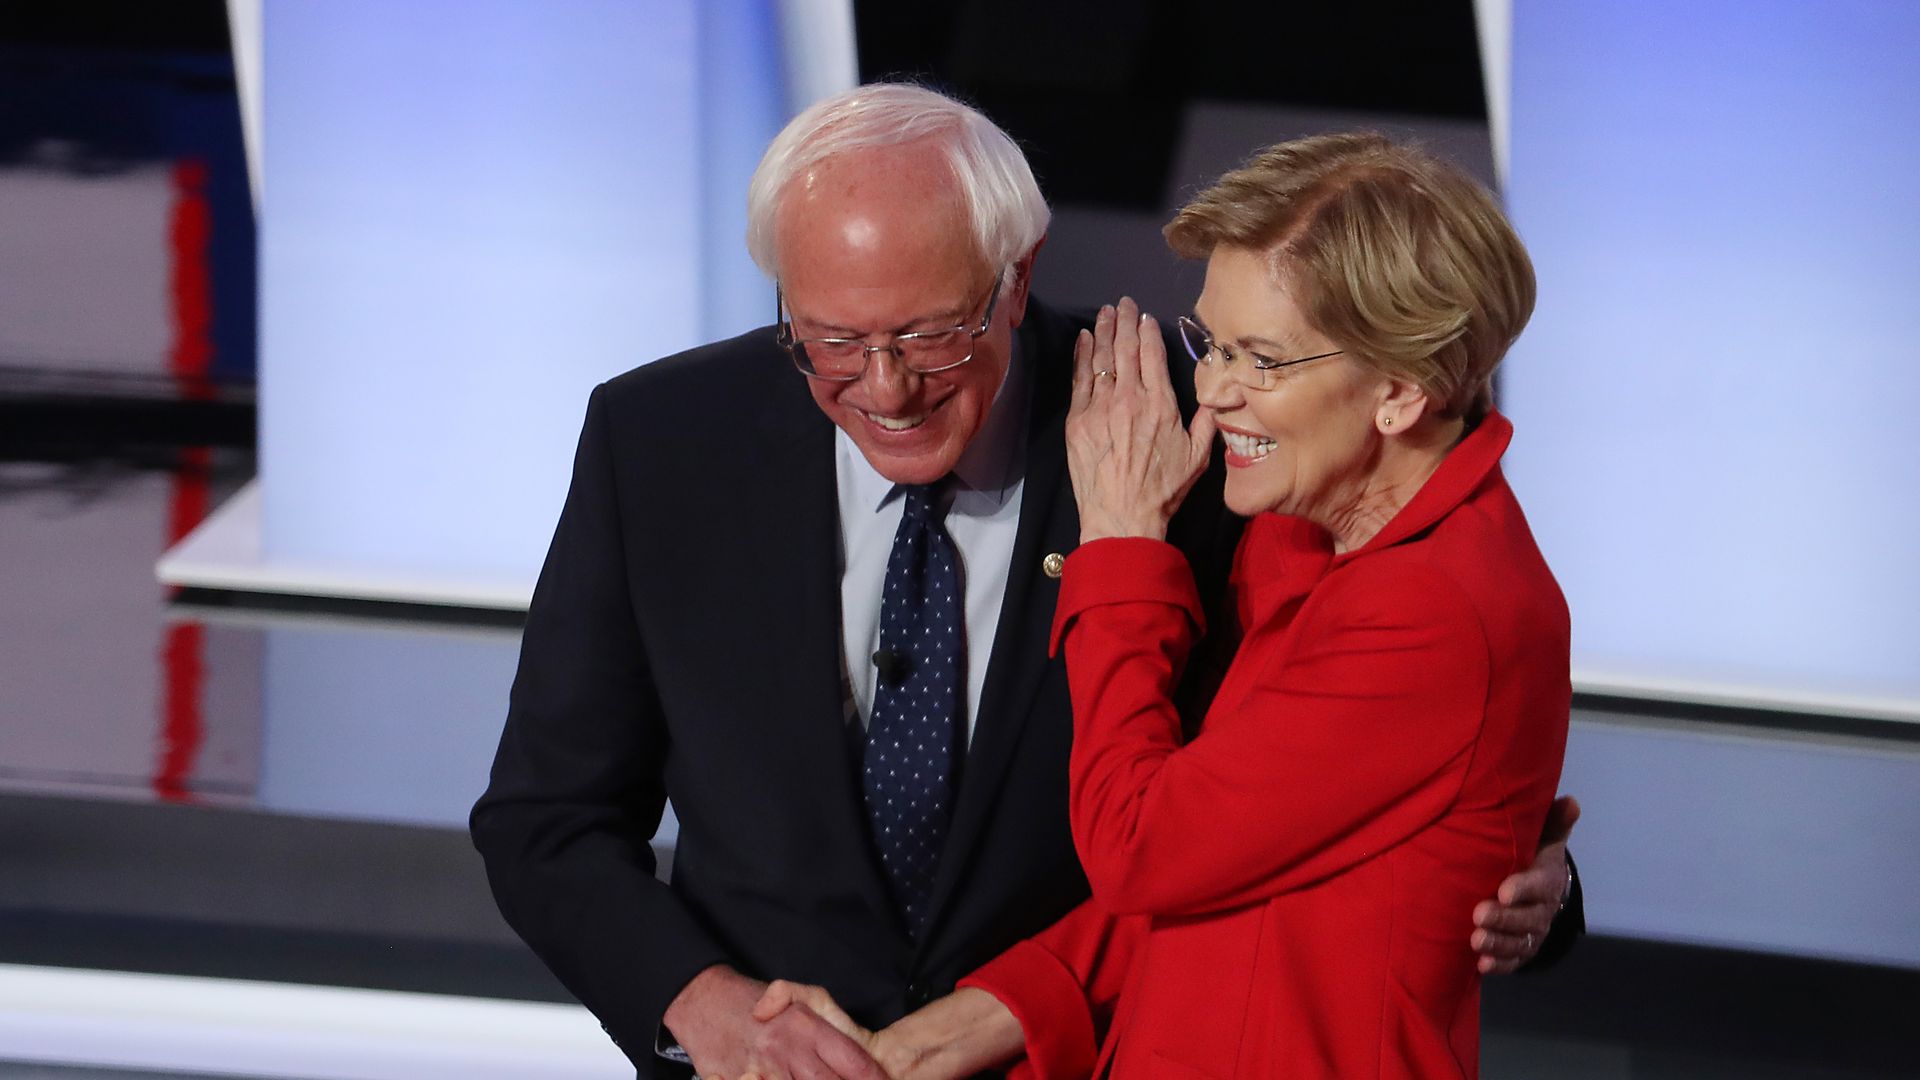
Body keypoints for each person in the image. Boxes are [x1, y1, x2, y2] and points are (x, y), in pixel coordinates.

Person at [470, 87, 1578, 1080]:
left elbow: (1296, 793)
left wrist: (1519, 875)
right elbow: (546, 819)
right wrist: (703, 1013)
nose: (887, 389)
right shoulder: (661, 442)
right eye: (831, 342)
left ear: (1018, 274)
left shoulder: (1199, 464)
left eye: (930, 334)